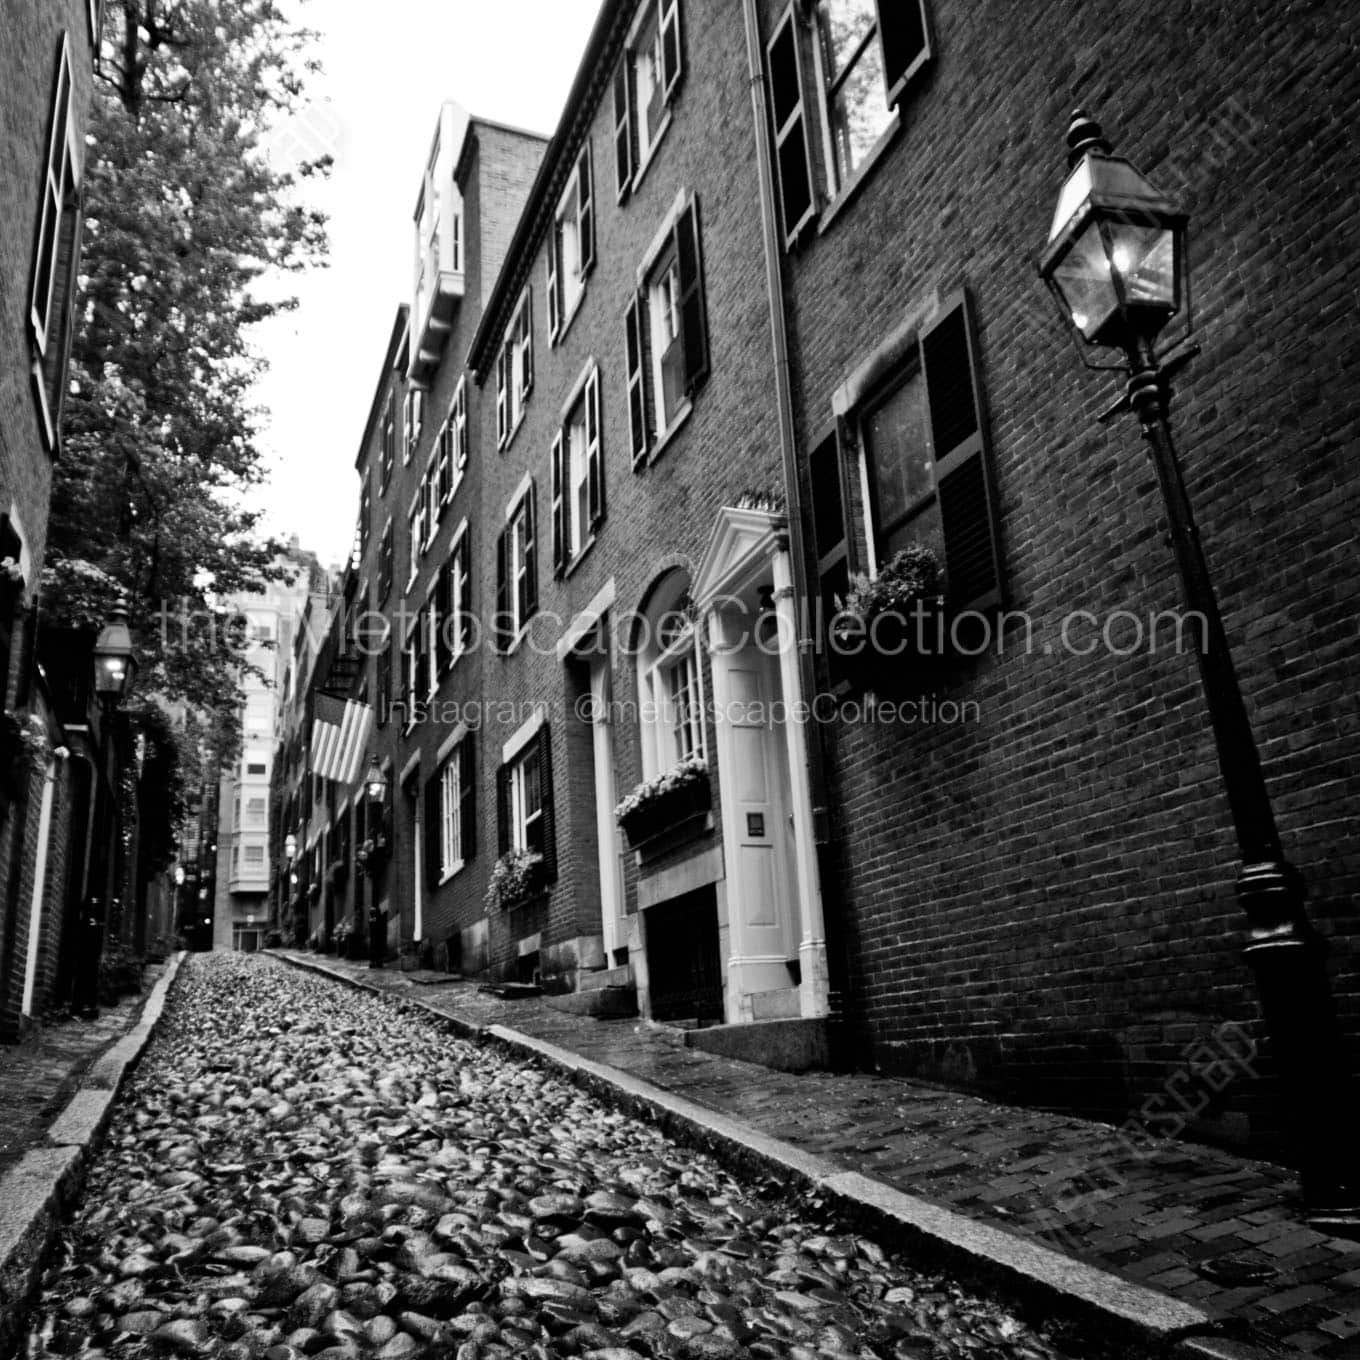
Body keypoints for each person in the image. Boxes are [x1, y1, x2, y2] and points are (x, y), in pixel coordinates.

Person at [368, 901, 386, 969]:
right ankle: (374, 962)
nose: (372, 914)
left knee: (377, 950)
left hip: (377, 938)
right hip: (374, 938)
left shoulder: (377, 920)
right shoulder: (372, 920)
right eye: (371, 912)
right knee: (374, 950)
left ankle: (377, 962)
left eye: (372, 912)